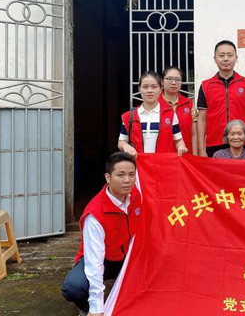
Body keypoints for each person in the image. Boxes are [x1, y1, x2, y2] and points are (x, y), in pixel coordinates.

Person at [61, 152, 142, 316]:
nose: (127, 180)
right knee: (74, 287)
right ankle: (87, 308)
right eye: (121, 175)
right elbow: (95, 262)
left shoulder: (135, 196)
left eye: (131, 174)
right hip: (104, 260)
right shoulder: (95, 214)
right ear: (108, 178)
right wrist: (96, 307)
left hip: (128, 257)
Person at [197, 40, 245, 158]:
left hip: (243, 142)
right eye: (221, 55)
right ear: (215, 59)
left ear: (236, 58)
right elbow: (202, 119)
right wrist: (201, 149)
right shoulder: (206, 86)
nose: (226, 59)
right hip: (214, 143)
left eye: (230, 55)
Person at [118, 71, 188, 156]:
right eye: (145, 87)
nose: (149, 91)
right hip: (138, 163)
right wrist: (125, 146)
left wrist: (181, 147)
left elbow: (178, 140)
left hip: (163, 163)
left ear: (160, 89)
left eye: (154, 87)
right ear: (139, 89)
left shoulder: (170, 115)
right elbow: (121, 141)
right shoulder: (129, 117)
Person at [159, 66, 198, 155]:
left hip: (186, 154)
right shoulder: (155, 104)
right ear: (162, 81)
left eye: (177, 79)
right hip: (163, 156)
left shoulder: (189, 104)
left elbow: (194, 134)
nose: (173, 82)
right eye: (169, 79)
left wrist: (195, 156)